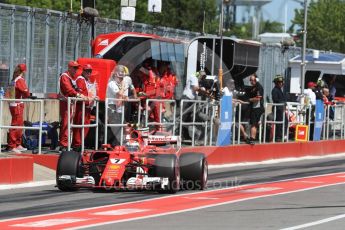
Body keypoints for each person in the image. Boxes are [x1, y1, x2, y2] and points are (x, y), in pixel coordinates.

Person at [58, 60, 84, 151]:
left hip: (71, 102)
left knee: (69, 123)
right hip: (66, 103)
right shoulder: (65, 76)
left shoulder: (71, 77)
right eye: (74, 68)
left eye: (77, 68)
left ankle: (67, 143)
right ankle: (63, 144)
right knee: (66, 123)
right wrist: (78, 94)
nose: (76, 70)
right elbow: (68, 89)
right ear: (69, 68)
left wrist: (79, 93)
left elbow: (75, 89)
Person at [72, 64, 97, 151]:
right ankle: (77, 144)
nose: (89, 73)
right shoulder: (81, 79)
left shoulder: (87, 80)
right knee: (80, 124)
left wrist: (93, 98)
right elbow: (80, 92)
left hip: (87, 105)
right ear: (83, 71)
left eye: (90, 71)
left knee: (85, 125)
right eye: (87, 71)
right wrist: (88, 99)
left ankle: (79, 143)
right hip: (81, 105)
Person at [7, 63, 30, 153]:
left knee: (18, 125)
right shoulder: (19, 79)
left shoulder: (14, 79)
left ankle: (17, 144)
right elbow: (25, 90)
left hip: (14, 104)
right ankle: (12, 145)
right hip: (17, 105)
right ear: (23, 71)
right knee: (16, 125)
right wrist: (28, 95)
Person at [107, 65, 127, 146]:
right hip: (112, 108)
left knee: (121, 128)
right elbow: (119, 94)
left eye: (122, 78)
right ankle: (114, 146)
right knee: (115, 128)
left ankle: (119, 145)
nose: (122, 80)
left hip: (119, 108)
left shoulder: (118, 84)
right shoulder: (112, 83)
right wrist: (123, 86)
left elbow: (124, 96)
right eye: (120, 78)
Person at [247, 74, 264, 145]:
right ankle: (252, 138)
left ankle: (252, 139)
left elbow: (258, 98)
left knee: (253, 124)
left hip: (257, 108)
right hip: (254, 108)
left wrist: (250, 99)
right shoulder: (253, 87)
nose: (252, 81)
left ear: (256, 79)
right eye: (251, 80)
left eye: (253, 80)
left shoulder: (258, 87)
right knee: (253, 124)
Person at [271, 75, 287, 142]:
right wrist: (282, 103)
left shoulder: (280, 90)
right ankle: (278, 137)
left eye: (282, 82)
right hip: (277, 109)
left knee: (285, 122)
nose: (281, 83)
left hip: (281, 109)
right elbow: (275, 99)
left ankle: (283, 135)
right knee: (279, 123)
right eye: (280, 82)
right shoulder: (275, 90)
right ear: (276, 82)